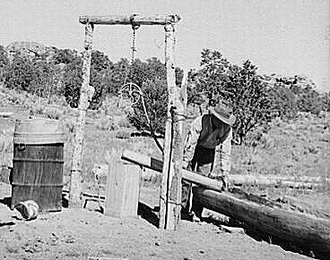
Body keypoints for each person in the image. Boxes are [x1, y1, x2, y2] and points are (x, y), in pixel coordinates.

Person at [181, 100, 236, 221]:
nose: (221, 124)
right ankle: (182, 209)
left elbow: (225, 152)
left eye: (224, 121)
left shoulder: (227, 129)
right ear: (213, 116)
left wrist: (225, 173)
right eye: (219, 120)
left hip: (209, 151)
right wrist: (185, 162)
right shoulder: (200, 122)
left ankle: (197, 212)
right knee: (185, 179)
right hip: (194, 148)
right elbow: (191, 143)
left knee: (203, 181)